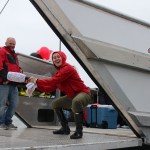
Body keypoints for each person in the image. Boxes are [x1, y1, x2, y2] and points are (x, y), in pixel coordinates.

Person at [27, 51, 93, 139]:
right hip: (72, 96)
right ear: (53, 61)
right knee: (55, 104)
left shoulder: (67, 68)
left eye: (58, 57)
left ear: (63, 57)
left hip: (84, 93)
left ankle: (78, 132)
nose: (56, 59)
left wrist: (36, 80)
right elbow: (48, 88)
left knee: (76, 101)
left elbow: (53, 81)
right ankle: (65, 128)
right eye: (54, 58)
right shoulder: (59, 74)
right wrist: (35, 86)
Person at [0, 37, 22, 130]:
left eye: (13, 43)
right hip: (4, 83)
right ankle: (1, 123)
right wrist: (4, 78)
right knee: (2, 104)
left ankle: (8, 122)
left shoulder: (14, 55)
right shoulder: (2, 51)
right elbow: (0, 66)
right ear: (6, 43)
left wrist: (20, 74)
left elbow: (15, 68)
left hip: (14, 83)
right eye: (10, 43)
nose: (12, 45)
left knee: (14, 104)